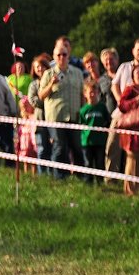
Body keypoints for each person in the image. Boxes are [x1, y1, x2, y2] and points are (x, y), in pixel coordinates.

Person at [38, 42, 85, 178]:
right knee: (59, 148)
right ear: (54, 57)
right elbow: (41, 95)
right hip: (56, 118)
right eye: (58, 55)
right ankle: (59, 177)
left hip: (74, 117)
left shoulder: (77, 73)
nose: (62, 57)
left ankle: (81, 177)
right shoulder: (48, 74)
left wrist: (82, 113)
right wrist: (51, 84)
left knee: (77, 147)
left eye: (64, 54)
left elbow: (82, 94)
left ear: (68, 55)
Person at [117, 64, 139, 195]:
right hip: (133, 130)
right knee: (133, 160)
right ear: (132, 76)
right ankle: (131, 192)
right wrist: (137, 100)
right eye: (138, 72)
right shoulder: (130, 89)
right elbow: (122, 106)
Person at [77, 78, 110, 182]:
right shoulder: (83, 110)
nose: (92, 95)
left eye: (94, 92)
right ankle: (88, 183)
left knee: (100, 162)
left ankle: (100, 182)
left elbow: (107, 120)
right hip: (87, 141)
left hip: (100, 140)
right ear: (85, 94)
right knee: (88, 163)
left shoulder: (102, 107)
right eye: (90, 92)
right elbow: (80, 124)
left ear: (98, 93)